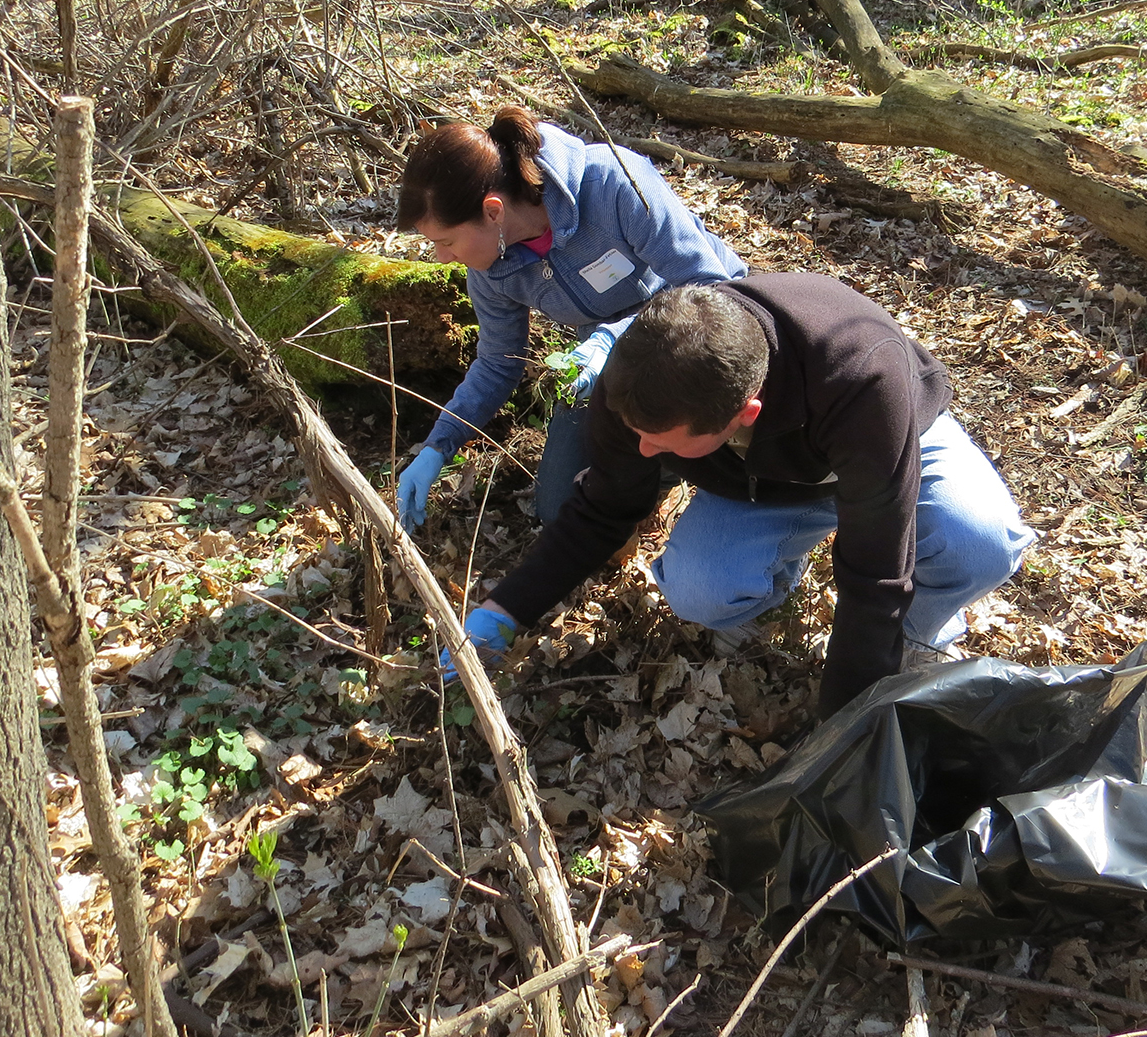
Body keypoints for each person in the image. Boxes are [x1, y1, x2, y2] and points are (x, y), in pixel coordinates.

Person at [443, 274, 1038, 716]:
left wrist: (843, 722)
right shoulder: (639, 381)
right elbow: (605, 505)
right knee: (700, 588)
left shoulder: (860, 379)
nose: (645, 452)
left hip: (886, 451)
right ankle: (775, 586)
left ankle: (919, 633)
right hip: (760, 484)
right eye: (640, 436)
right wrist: (506, 608)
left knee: (981, 543)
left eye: (661, 443)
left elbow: (875, 570)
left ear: (741, 414)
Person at [394, 107, 746, 533]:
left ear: (492, 212)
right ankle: (653, 458)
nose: (442, 256)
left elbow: (709, 283)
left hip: (699, 326)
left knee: (679, 442)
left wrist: (610, 341)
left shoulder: (611, 184)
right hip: (604, 359)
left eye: (446, 241)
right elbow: (498, 362)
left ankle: (682, 465)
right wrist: (438, 445)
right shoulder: (491, 270)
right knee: (563, 506)